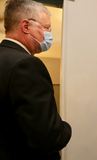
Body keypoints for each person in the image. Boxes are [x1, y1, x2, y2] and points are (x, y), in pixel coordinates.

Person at [0, 1, 72, 159]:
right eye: (46, 28)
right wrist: (63, 127)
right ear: (25, 27)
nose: (49, 34)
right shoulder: (26, 64)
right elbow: (49, 139)